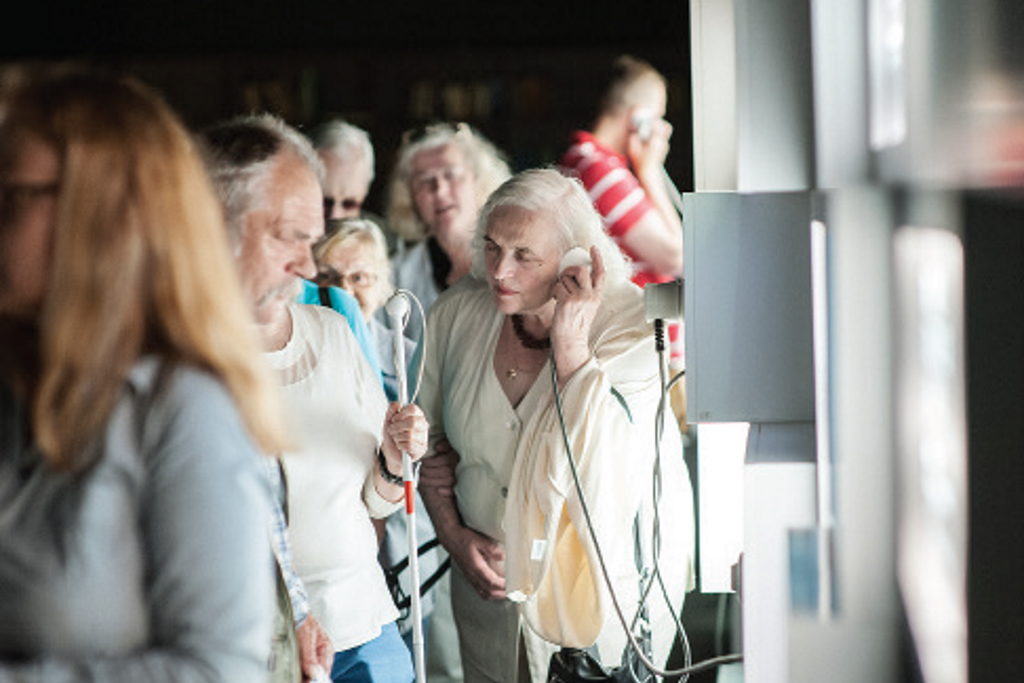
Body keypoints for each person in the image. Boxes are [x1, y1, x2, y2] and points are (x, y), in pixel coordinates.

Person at [0, 65, 282, 682]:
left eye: (9, 195)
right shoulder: (17, 387)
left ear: (96, 216)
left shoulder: (182, 409)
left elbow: (220, 671)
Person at [417, 169, 695, 683]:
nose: (499, 270)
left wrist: (570, 347)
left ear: (575, 259)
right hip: (489, 604)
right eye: (492, 246)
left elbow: (601, 463)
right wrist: (453, 536)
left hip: (596, 604)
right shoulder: (457, 313)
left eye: (524, 255)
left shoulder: (631, 323)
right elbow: (429, 447)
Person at [200, 113, 429, 683]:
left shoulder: (330, 329)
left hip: (366, 624)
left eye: (314, 238)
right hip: (258, 648)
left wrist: (393, 461)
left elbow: (375, 502)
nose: (309, 266)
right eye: (291, 237)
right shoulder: (185, 361)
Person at [312, 217, 448, 657]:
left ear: (384, 284)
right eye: (329, 277)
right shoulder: (306, 358)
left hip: (403, 541)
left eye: (359, 277)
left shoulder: (409, 359)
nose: (344, 291)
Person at [558, 55, 685, 371]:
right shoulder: (600, 170)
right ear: (639, 118)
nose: (662, 130)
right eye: (658, 117)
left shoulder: (586, 162)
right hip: (643, 355)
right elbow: (674, 256)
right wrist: (651, 170)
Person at [384, 122, 511, 340]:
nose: (439, 189)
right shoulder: (397, 275)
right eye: (425, 181)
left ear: (478, 181)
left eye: (451, 175)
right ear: (410, 198)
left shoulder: (516, 256)